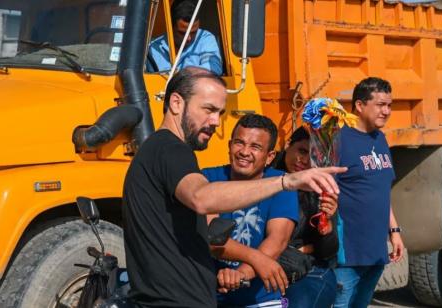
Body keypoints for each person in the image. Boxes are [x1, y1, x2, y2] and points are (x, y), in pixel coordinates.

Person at [123, 66, 346, 308]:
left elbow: (275, 239)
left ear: (270, 156)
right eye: (208, 109)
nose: (215, 122)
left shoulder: (162, 149)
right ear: (176, 103)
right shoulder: (171, 150)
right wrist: (287, 181)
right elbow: (201, 198)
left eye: (220, 113)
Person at [203, 114, 299, 308]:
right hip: (209, 295)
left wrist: (241, 274)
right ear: (229, 145)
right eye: (239, 143)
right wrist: (255, 258)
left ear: (270, 156)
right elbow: (210, 238)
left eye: (255, 147)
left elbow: (277, 240)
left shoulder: (281, 182)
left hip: (262, 298)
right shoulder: (207, 177)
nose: (244, 152)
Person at [333, 77, 405, 308]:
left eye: (389, 105)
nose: (386, 111)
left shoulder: (380, 139)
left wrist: (394, 231)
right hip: (348, 257)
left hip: (375, 253)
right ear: (360, 105)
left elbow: (382, 191)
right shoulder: (339, 140)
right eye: (380, 105)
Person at [272, 126, 340, 307]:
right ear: (288, 144)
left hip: (308, 270)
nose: (304, 160)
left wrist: (327, 229)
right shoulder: (264, 177)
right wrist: (300, 248)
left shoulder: (321, 188)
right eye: (301, 151)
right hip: (264, 265)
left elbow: (327, 252)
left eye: (313, 156)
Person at [146, 0, 223, 75]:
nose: (188, 38)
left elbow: (214, 68)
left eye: (193, 32)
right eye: (182, 33)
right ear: (171, 28)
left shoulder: (205, 38)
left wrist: (183, 74)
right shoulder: (153, 48)